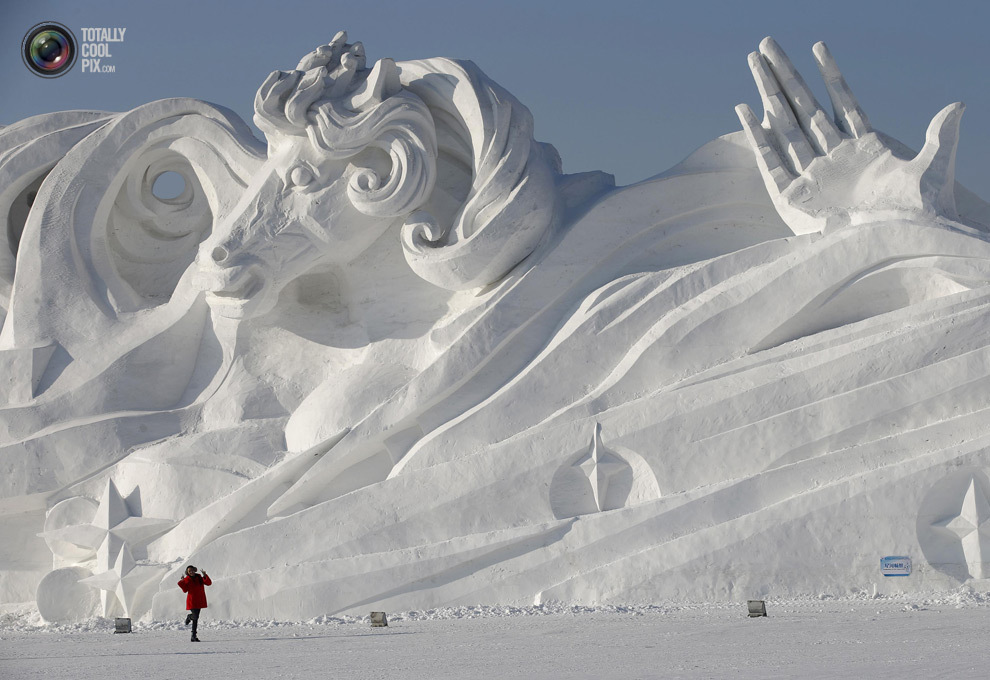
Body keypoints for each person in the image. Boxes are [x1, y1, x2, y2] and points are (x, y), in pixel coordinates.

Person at [177, 565, 212, 642]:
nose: (191, 572)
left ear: (195, 570)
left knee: (196, 619)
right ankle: (189, 617)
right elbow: (185, 590)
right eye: (189, 571)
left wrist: (205, 575)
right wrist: (182, 582)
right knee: (195, 616)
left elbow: (209, 583)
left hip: (199, 600)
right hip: (192, 601)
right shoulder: (186, 579)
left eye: (192, 570)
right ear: (187, 572)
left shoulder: (199, 577)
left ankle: (193, 636)